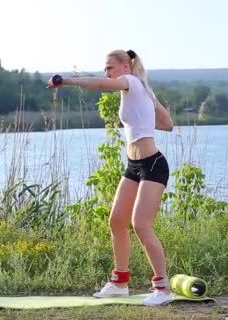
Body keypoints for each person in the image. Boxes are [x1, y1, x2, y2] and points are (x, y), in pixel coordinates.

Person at [48, 49, 175, 306]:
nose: (107, 73)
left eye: (110, 68)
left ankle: (162, 288)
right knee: (117, 220)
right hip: (134, 165)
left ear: (125, 68)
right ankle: (120, 283)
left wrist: (68, 80)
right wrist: (147, 117)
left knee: (141, 224)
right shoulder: (138, 90)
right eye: (105, 69)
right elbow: (167, 123)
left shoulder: (131, 82)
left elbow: (99, 84)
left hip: (153, 165)